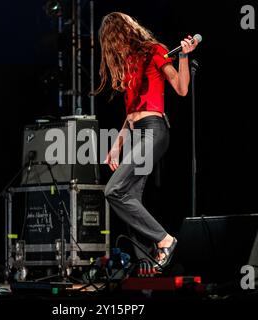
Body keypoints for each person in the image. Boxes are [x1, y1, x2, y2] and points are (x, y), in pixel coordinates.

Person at [96, 12, 198, 270]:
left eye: (114, 40)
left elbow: (182, 88)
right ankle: (148, 265)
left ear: (123, 33)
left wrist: (184, 55)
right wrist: (117, 145)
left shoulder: (155, 51)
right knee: (129, 198)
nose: (114, 48)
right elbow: (129, 114)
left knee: (114, 190)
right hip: (136, 132)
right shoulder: (129, 63)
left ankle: (166, 240)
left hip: (154, 131)